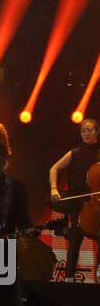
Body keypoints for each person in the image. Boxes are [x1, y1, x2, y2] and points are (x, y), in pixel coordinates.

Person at [49, 117, 100, 282]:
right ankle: (69, 280)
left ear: (97, 132)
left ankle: (99, 277)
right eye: (83, 131)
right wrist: (54, 188)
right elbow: (54, 169)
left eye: (90, 130)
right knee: (75, 242)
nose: (86, 133)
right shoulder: (74, 153)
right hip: (77, 204)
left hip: (95, 205)